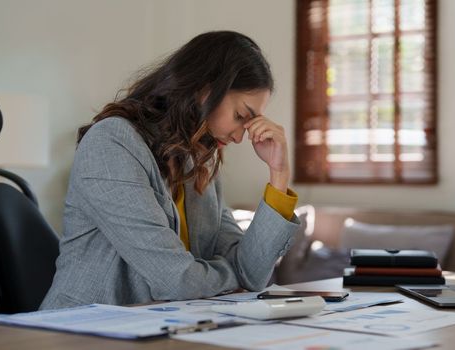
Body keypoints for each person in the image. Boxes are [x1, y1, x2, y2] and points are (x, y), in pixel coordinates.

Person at [40, 31, 300, 309]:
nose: (239, 137)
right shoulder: (111, 143)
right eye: (240, 116)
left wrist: (279, 174)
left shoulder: (199, 163)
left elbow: (252, 273)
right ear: (205, 90)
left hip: (159, 328)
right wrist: (233, 275)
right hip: (79, 330)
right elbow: (177, 280)